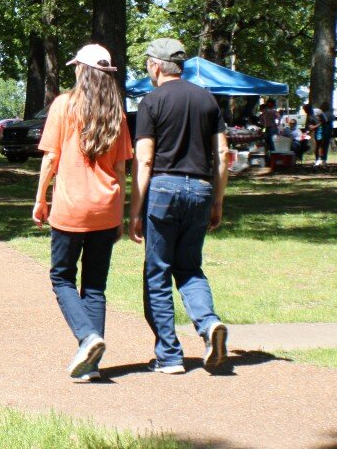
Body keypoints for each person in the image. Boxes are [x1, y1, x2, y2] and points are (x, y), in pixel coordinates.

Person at [33, 44, 133, 382]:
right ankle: (91, 363)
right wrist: (119, 214)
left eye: (77, 66)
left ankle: (87, 339)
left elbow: (50, 158)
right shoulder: (116, 112)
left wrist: (40, 199)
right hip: (106, 209)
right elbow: (120, 170)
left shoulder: (64, 105)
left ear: (83, 71)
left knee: (61, 277)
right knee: (94, 286)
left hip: (71, 209)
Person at [130, 37, 229, 375]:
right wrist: (217, 200)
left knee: (157, 273)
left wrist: (135, 210)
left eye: (147, 64)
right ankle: (208, 323)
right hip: (200, 189)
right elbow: (223, 157)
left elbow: (144, 160)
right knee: (189, 268)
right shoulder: (208, 100)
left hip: (162, 189)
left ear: (156, 66)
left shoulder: (151, 102)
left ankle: (170, 355)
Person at [314, 102, 332, 167]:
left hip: (320, 131)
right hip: (325, 132)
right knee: (324, 146)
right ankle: (323, 160)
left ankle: (318, 159)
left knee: (319, 146)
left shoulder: (319, 113)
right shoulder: (329, 114)